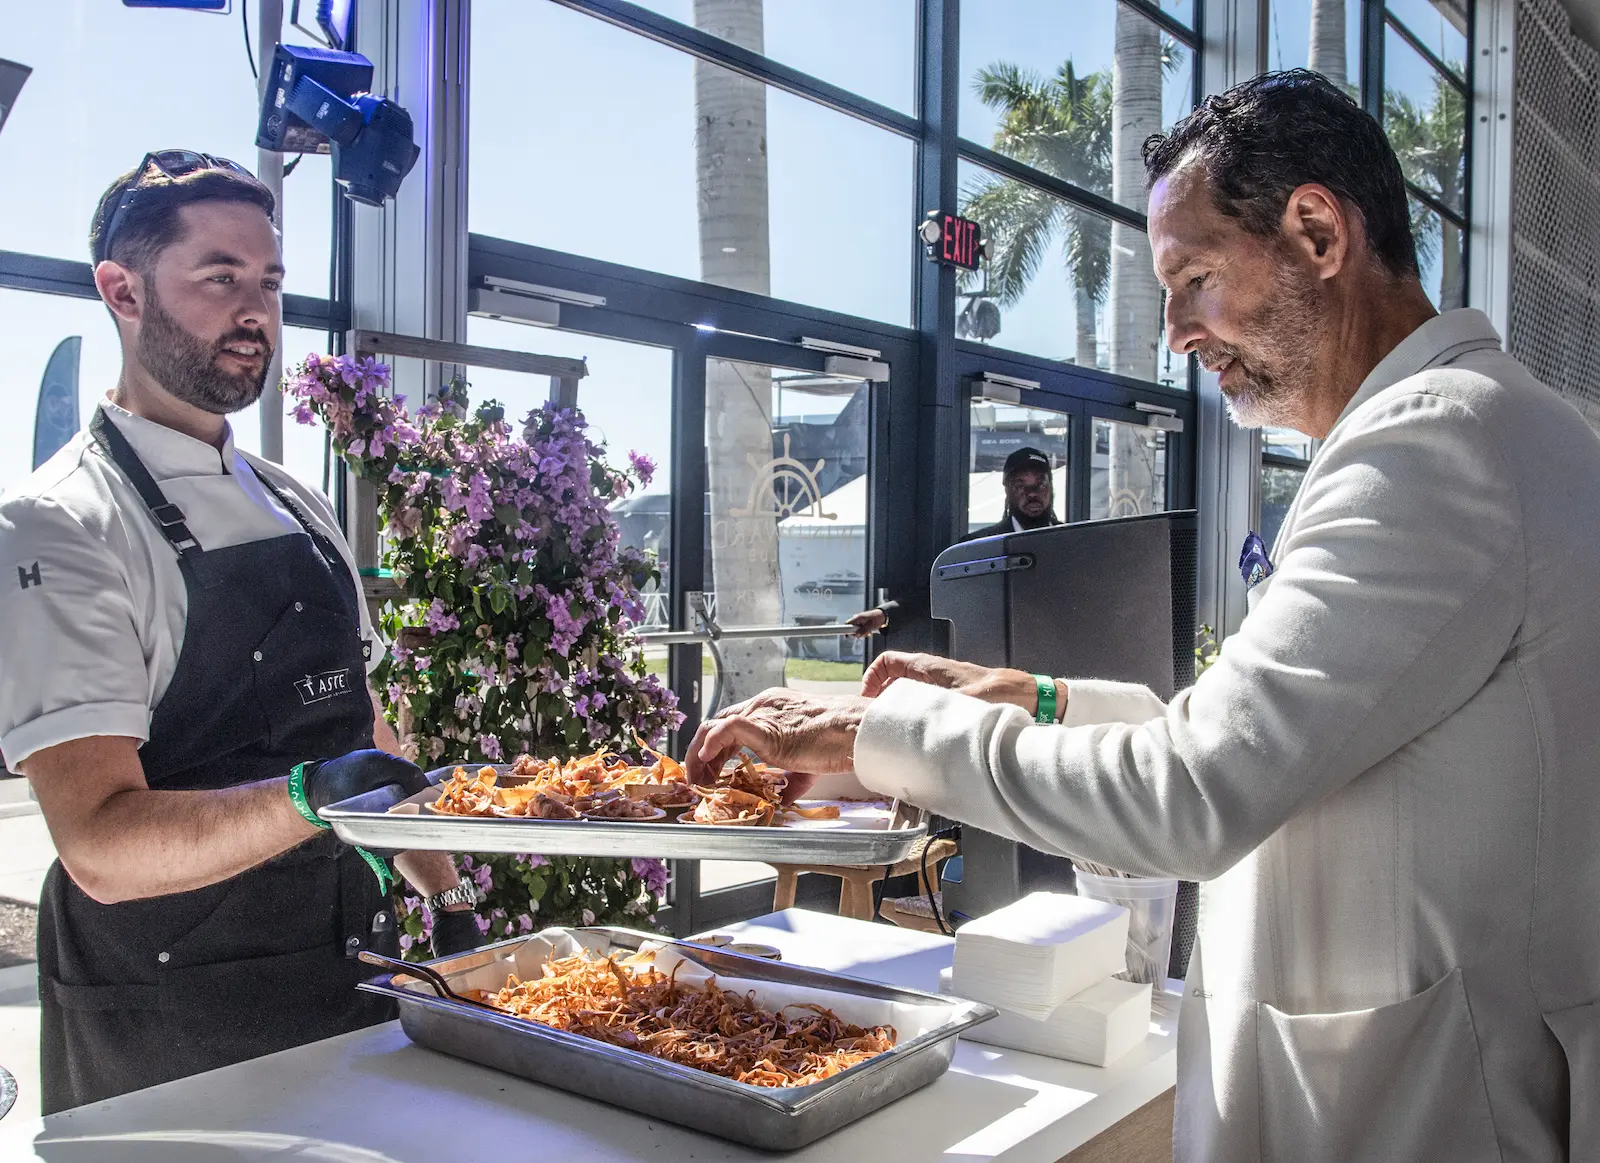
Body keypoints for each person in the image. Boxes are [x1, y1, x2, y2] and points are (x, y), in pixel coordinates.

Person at [688, 72, 1600, 1161]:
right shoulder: (1479, 427)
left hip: (1430, 1107)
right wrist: (1033, 697)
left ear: (1315, 230)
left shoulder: (1438, 445)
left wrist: (868, 734)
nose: (1174, 332)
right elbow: (1282, 741)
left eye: (1194, 279)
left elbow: (1194, 793)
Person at [0, 153, 482, 1112]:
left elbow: (364, 731)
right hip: (171, 1016)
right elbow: (98, 843)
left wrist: (452, 895)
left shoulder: (299, 503)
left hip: (348, 967)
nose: (256, 309)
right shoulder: (57, 523)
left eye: (268, 281)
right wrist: (310, 796)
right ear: (121, 289)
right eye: (221, 276)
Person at [847, 446, 1061, 637]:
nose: (1032, 493)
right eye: (1020, 485)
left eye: (1040, 484)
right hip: (1004, 662)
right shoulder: (981, 545)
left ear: (1050, 487)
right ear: (1006, 489)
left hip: (1064, 658)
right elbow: (935, 594)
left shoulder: (1074, 542)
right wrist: (884, 614)